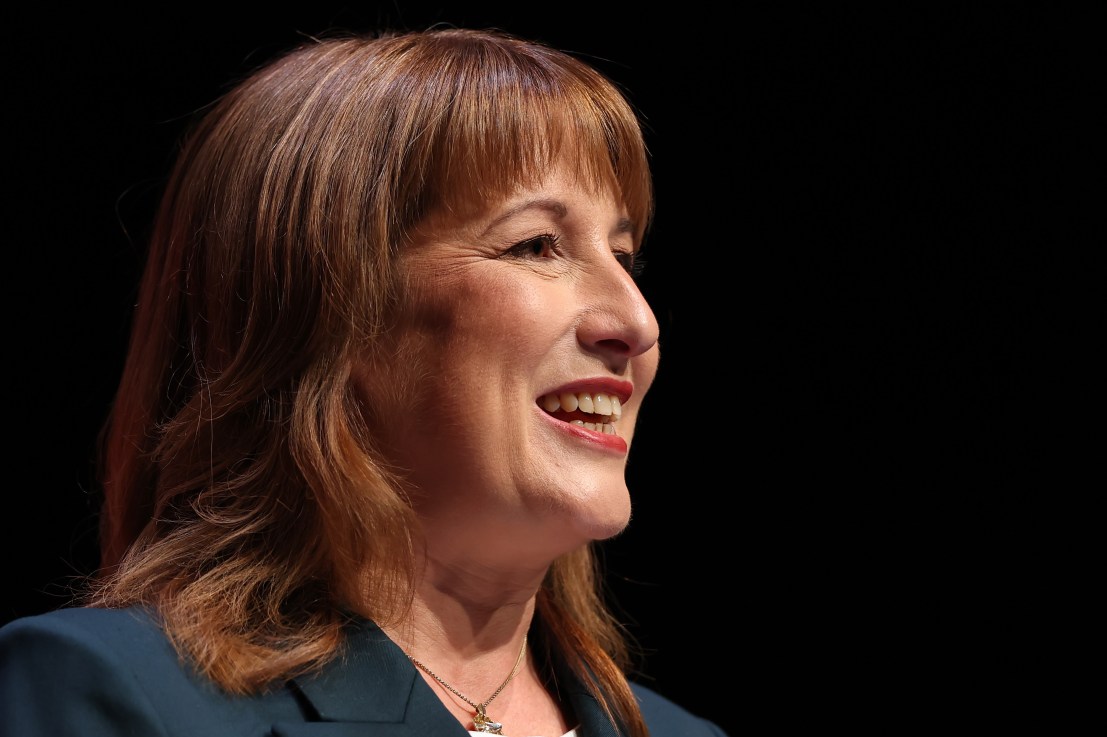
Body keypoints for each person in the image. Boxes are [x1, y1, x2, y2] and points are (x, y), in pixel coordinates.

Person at [0, 26, 728, 737]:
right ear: (330, 312)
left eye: (624, 257)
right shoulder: (119, 692)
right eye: (536, 245)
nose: (637, 322)